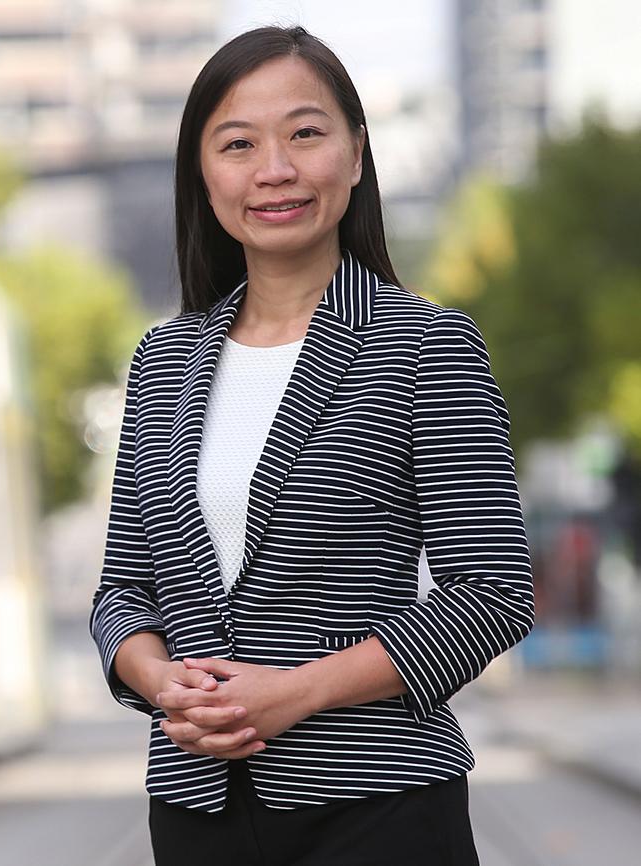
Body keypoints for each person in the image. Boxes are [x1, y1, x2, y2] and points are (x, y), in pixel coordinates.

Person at [90, 24, 535, 866]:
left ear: (357, 154)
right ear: (203, 175)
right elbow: (123, 591)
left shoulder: (423, 344)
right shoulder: (161, 361)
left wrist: (296, 694)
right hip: (196, 811)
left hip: (379, 810)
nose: (275, 170)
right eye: (238, 143)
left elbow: (492, 593)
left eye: (305, 133)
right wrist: (160, 682)